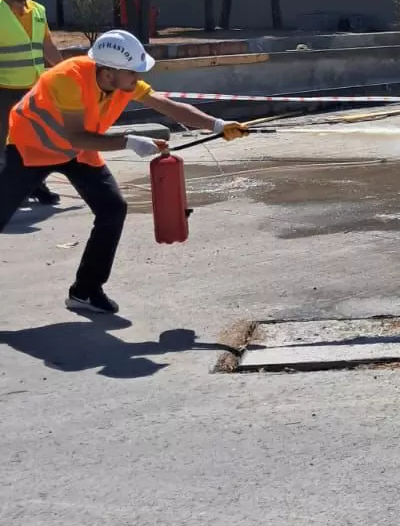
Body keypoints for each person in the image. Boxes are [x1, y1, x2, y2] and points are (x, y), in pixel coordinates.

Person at [0, 28, 249, 315]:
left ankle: (86, 290)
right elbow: (76, 136)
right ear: (108, 74)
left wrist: (217, 125)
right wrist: (128, 142)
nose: (138, 79)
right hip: (31, 148)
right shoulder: (66, 78)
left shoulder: (124, 83)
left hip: (76, 150)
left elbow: (167, 106)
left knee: (113, 208)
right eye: (134, 73)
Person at [0, 0, 63, 206]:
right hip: (4, 90)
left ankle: (36, 185)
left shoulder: (38, 11)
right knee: (6, 144)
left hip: (35, 90)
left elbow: (48, 47)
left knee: (37, 141)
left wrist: (68, 74)